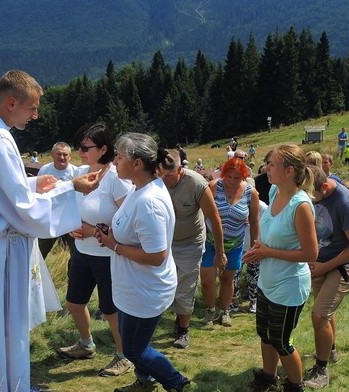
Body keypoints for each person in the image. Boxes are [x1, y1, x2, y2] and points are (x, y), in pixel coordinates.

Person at [0, 70, 100, 392]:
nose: (36, 116)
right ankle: (11, 385)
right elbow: (24, 209)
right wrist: (70, 187)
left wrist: (35, 182)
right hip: (2, 246)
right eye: (32, 108)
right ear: (11, 103)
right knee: (9, 323)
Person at [95, 132, 190, 392]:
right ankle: (144, 381)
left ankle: (175, 381)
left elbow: (157, 256)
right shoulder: (140, 190)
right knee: (134, 342)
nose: (114, 161)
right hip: (133, 286)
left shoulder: (149, 202)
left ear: (137, 164)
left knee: (134, 349)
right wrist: (111, 233)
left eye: (119, 156)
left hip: (146, 289)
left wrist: (114, 245)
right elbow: (134, 233)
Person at [56, 123, 134, 377]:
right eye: (78, 146)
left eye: (85, 147)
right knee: (74, 302)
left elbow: (128, 221)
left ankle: (124, 356)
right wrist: (71, 227)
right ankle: (87, 343)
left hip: (107, 255)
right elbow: (70, 206)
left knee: (111, 310)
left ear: (103, 149)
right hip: (82, 251)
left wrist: (93, 230)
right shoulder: (79, 173)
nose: (80, 152)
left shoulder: (116, 179)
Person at [243, 144, 318, 392]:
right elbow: (273, 233)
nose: (267, 168)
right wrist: (259, 247)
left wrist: (267, 252)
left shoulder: (301, 206)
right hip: (268, 280)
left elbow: (311, 254)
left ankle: (295, 385)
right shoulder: (274, 191)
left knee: (281, 340)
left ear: (289, 171)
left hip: (289, 286)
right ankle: (268, 376)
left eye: (272, 164)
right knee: (264, 334)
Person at [304, 166, 349, 389]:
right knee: (325, 313)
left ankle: (321, 369)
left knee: (319, 316)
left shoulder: (345, 205)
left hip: (344, 265)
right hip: (322, 262)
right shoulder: (320, 187)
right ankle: (330, 350)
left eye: (313, 196)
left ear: (325, 187)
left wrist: (324, 267)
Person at [158, 149, 225, 349]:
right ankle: (178, 318)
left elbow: (215, 219)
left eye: (169, 175)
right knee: (166, 285)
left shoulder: (196, 184)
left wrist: (220, 253)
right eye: (161, 174)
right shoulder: (154, 181)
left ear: (181, 169)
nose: (165, 179)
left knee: (185, 287)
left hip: (190, 243)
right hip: (164, 243)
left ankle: (184, 330)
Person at [200, 157, 259, 327]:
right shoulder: (213, 187)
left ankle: (224, 311)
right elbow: (203, 213)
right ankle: (210, 309)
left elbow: (254, 221)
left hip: (234, 243)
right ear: (223, 174)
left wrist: (255, 244)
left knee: (228, 279)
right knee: (206, 278)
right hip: (211, 241)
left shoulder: (250, 192)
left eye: (237, 178)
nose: (232, 181)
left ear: (244, 177)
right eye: (229, 177)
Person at [36, 141, 78, 259]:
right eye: (59, 154)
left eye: (65, 155)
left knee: (75, 255)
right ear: (52, 154)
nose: (62, 157)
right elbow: (37, 191)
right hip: (50, 218)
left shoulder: (76, 172)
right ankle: (36, 276)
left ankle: (71, 277)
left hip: (70, 218)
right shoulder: (45, 169)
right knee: (40, 252)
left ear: (70, 156)